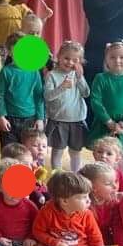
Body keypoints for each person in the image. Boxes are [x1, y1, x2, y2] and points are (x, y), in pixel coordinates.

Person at [86, 40, 123, 179]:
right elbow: (96, 101)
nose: (117, 60)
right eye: (112, 57)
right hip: (104, 124)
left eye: (122, 57)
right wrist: (109, 122)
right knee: (103, 156)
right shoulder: (101, 78)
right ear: (106, 59)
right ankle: (101, 181)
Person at [44, 41, 90, 172]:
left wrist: (80, 78)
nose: (70, 62)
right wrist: (62, 87)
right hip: (58, 120)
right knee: (57, 152)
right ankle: (57, 177)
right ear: (59, 56)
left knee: (75, 152)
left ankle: (76, 176)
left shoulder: (77, 74)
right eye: (66, 58)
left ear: (80, 61)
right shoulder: (52, 75)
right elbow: (48, 96)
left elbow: (86, 93)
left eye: (75, 60)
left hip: (77, 119)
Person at [0, 33, 45, 146]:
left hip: (30, 118)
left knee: (29, 150)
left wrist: (40, 118)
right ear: (9, 52)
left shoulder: (34, 71)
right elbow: (0, 95)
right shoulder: (6, 72)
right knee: (9, 149)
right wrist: (1, 116)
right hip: (10, 118)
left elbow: (39, 96)